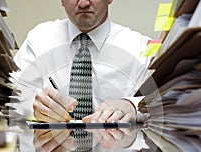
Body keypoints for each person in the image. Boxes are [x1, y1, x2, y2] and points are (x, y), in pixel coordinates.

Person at [11, 0, 152, 124]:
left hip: (117, 150)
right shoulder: (39, 39)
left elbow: (164, 104)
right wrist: (33, 107)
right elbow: (11, 97)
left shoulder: (139, 47)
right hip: (51, 148)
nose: (83, 3)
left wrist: (133, 106)